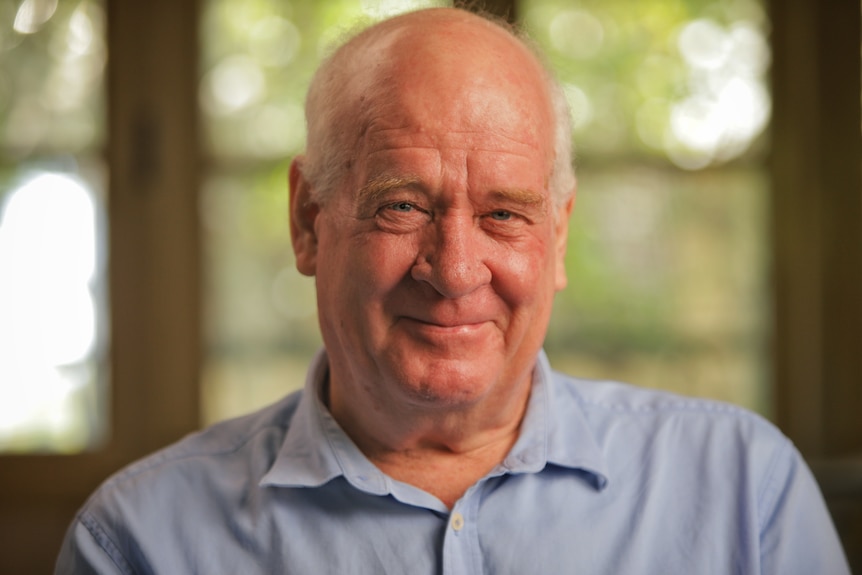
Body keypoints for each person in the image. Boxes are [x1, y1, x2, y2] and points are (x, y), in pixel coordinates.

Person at [56, 7, 850, 574]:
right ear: (308, 220)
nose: (456, 268)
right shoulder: (138, 543)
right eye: (403, 204)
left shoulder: (746, 490)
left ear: (559, 236)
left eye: (505, 213)